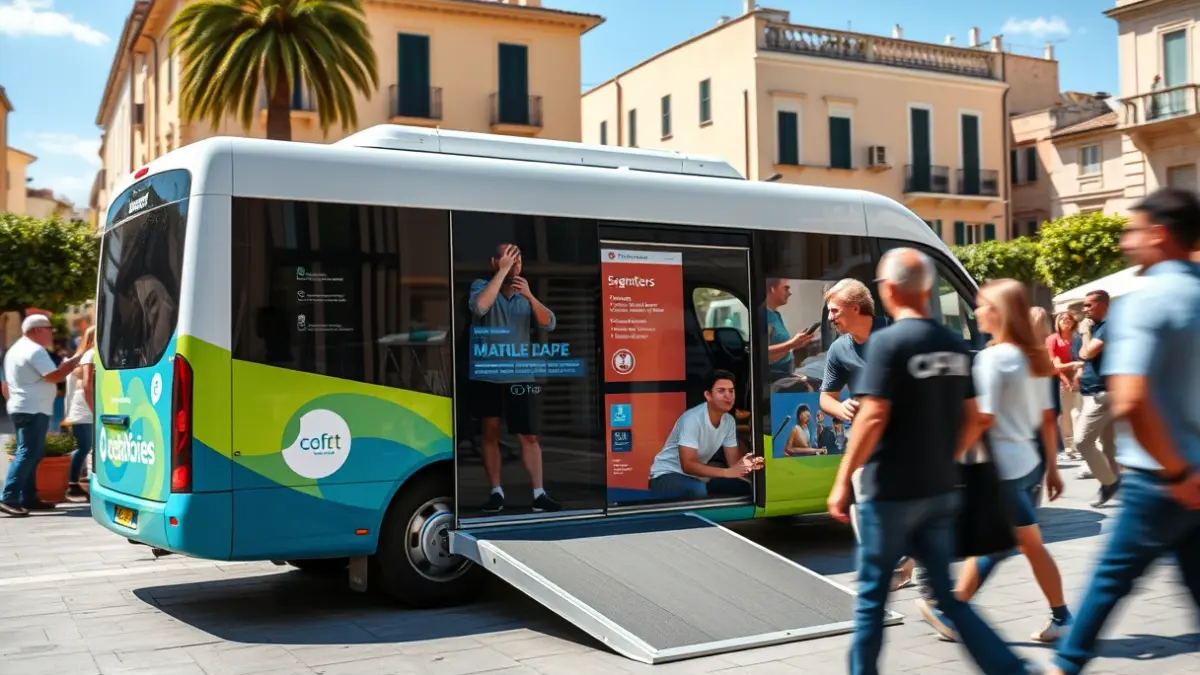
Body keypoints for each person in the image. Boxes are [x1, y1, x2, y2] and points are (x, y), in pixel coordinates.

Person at [827, 248, 1039, 675]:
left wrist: (843, 478)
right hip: (941, 491)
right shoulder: (953, 344)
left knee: (871, 599)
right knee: (946, 597)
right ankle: (1012, 670)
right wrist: (945, 457)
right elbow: (979, 417)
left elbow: (873, 415)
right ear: (928, 289)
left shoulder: (889, 342)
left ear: (888, 291)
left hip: (891, 493)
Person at [1048, 188, 1200, 675]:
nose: (1124, 241)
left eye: (1132, 230)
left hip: (1162, 479)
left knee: (1107, 584)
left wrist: (1177, 475)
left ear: (1158, 234)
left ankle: (1064, 665)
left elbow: (1133, 400)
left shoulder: (1143, 302)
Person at [917, 279, 1071, 645]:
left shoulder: (991, 359)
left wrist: (949, 457)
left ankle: (952, 610)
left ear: (998, 313)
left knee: (1012, 542)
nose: (976, 311)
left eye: (982, 305)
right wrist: (1051, 468)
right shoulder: (1033, 358)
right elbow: (1048, 419)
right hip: (1027, 464)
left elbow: (980, 418)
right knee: (1009, 542)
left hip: (1000, 468)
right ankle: (956, 608)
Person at [819, 278, 922, 593]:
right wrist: (841, 408)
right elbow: (825, 398)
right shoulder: (839, 348)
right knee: (860, 497)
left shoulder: (895, 334)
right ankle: (887, 566)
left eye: (834, 311)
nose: (831, 318)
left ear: (854, 307)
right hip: (864, 437)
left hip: (904, 436)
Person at [468, 243, 560, 514]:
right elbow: (480, 308)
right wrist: (502, 272)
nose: (514, 265)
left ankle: (539, 494)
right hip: (488, 374)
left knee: (529, 436)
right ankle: (496, 492)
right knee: (490, 433)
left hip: (521, 376)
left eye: (518, 260)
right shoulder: (480, 286)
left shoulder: (524, 296)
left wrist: (530, 296)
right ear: (494, 262)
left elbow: (548, 323)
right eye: (508, 259)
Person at [1, 315, 85, 517]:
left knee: (31, 452)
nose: (51, 333)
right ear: (37, 330)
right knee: (28, 453)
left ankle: (28, 498)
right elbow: (54, 376)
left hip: (23, 407)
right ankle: (9, 497)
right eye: (49, 329)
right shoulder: (34, 350)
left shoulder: (16, 348)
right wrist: (75, 360)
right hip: (33, 409)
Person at [648, 370, 763, 498]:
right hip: (666, 475)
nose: (728, 396)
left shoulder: (728, 421)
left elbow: (733, 464)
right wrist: (726, 472)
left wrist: (749, 463)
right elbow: (688, 465)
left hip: (698, 477)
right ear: (708, 395)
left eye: (731, 391)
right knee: (697, 489)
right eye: (721, 391)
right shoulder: (692, 419)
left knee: (744, 487)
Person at [1072, 289, 1121, 507]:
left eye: (1089, 305)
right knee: (1108, 445)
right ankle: (1113, 485)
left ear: (1103, 304)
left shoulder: (1108, 326)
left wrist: (1084, 333)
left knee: (1082, 441)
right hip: (1096, 391)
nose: (1085, 309)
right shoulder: (1099, 327)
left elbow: (1087, 352)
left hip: (1103, 394)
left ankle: (1109, 483)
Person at [62, 326, 96, 503]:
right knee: (86, 448)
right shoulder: (90, 355)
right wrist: (95, 411)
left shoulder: (86, 355)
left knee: (85, 448)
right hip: (85, 409)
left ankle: (75, 483)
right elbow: (87, 387)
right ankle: (74, 484)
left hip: (84, 408)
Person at [762, 278, 817, 386]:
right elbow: (761, 352)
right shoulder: (763, 316)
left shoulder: (775, 314)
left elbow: (779, 347)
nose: (789, 293)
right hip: (775, 379)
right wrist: (791, 344)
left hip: (787, 373)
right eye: (786, 289)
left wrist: (797, 344)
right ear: (772, 289)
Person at [1046, 311, 1083, 458]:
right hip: (1060, 379)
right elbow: (1056, 365)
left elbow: (1083, 359)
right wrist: (1067, 376)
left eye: (1069, 319)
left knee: (1078, 413)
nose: (1066, 321)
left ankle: (1079, 444)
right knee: (1066, 414)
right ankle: (1068, 446)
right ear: (1058, 322)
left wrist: (1077, 374)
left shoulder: (1077, 339)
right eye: (1063, 319)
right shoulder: (1053, 339)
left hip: (1077, 378)